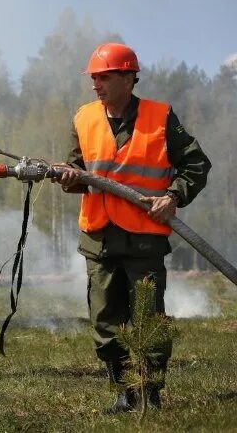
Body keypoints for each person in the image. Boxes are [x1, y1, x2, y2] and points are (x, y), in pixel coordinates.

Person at [53, 42, 211, 413]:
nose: (96, 84)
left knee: (148, 319)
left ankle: (151, 395)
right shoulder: (83, 118)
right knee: (105, 318)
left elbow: (196, 165)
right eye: (93, 78)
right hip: (99, 238)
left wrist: (173, 197)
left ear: (129, 78)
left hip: (144, 239)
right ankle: (125, 394)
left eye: (104, 77)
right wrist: (67, 177)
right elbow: (77, 172)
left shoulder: (161, 117)